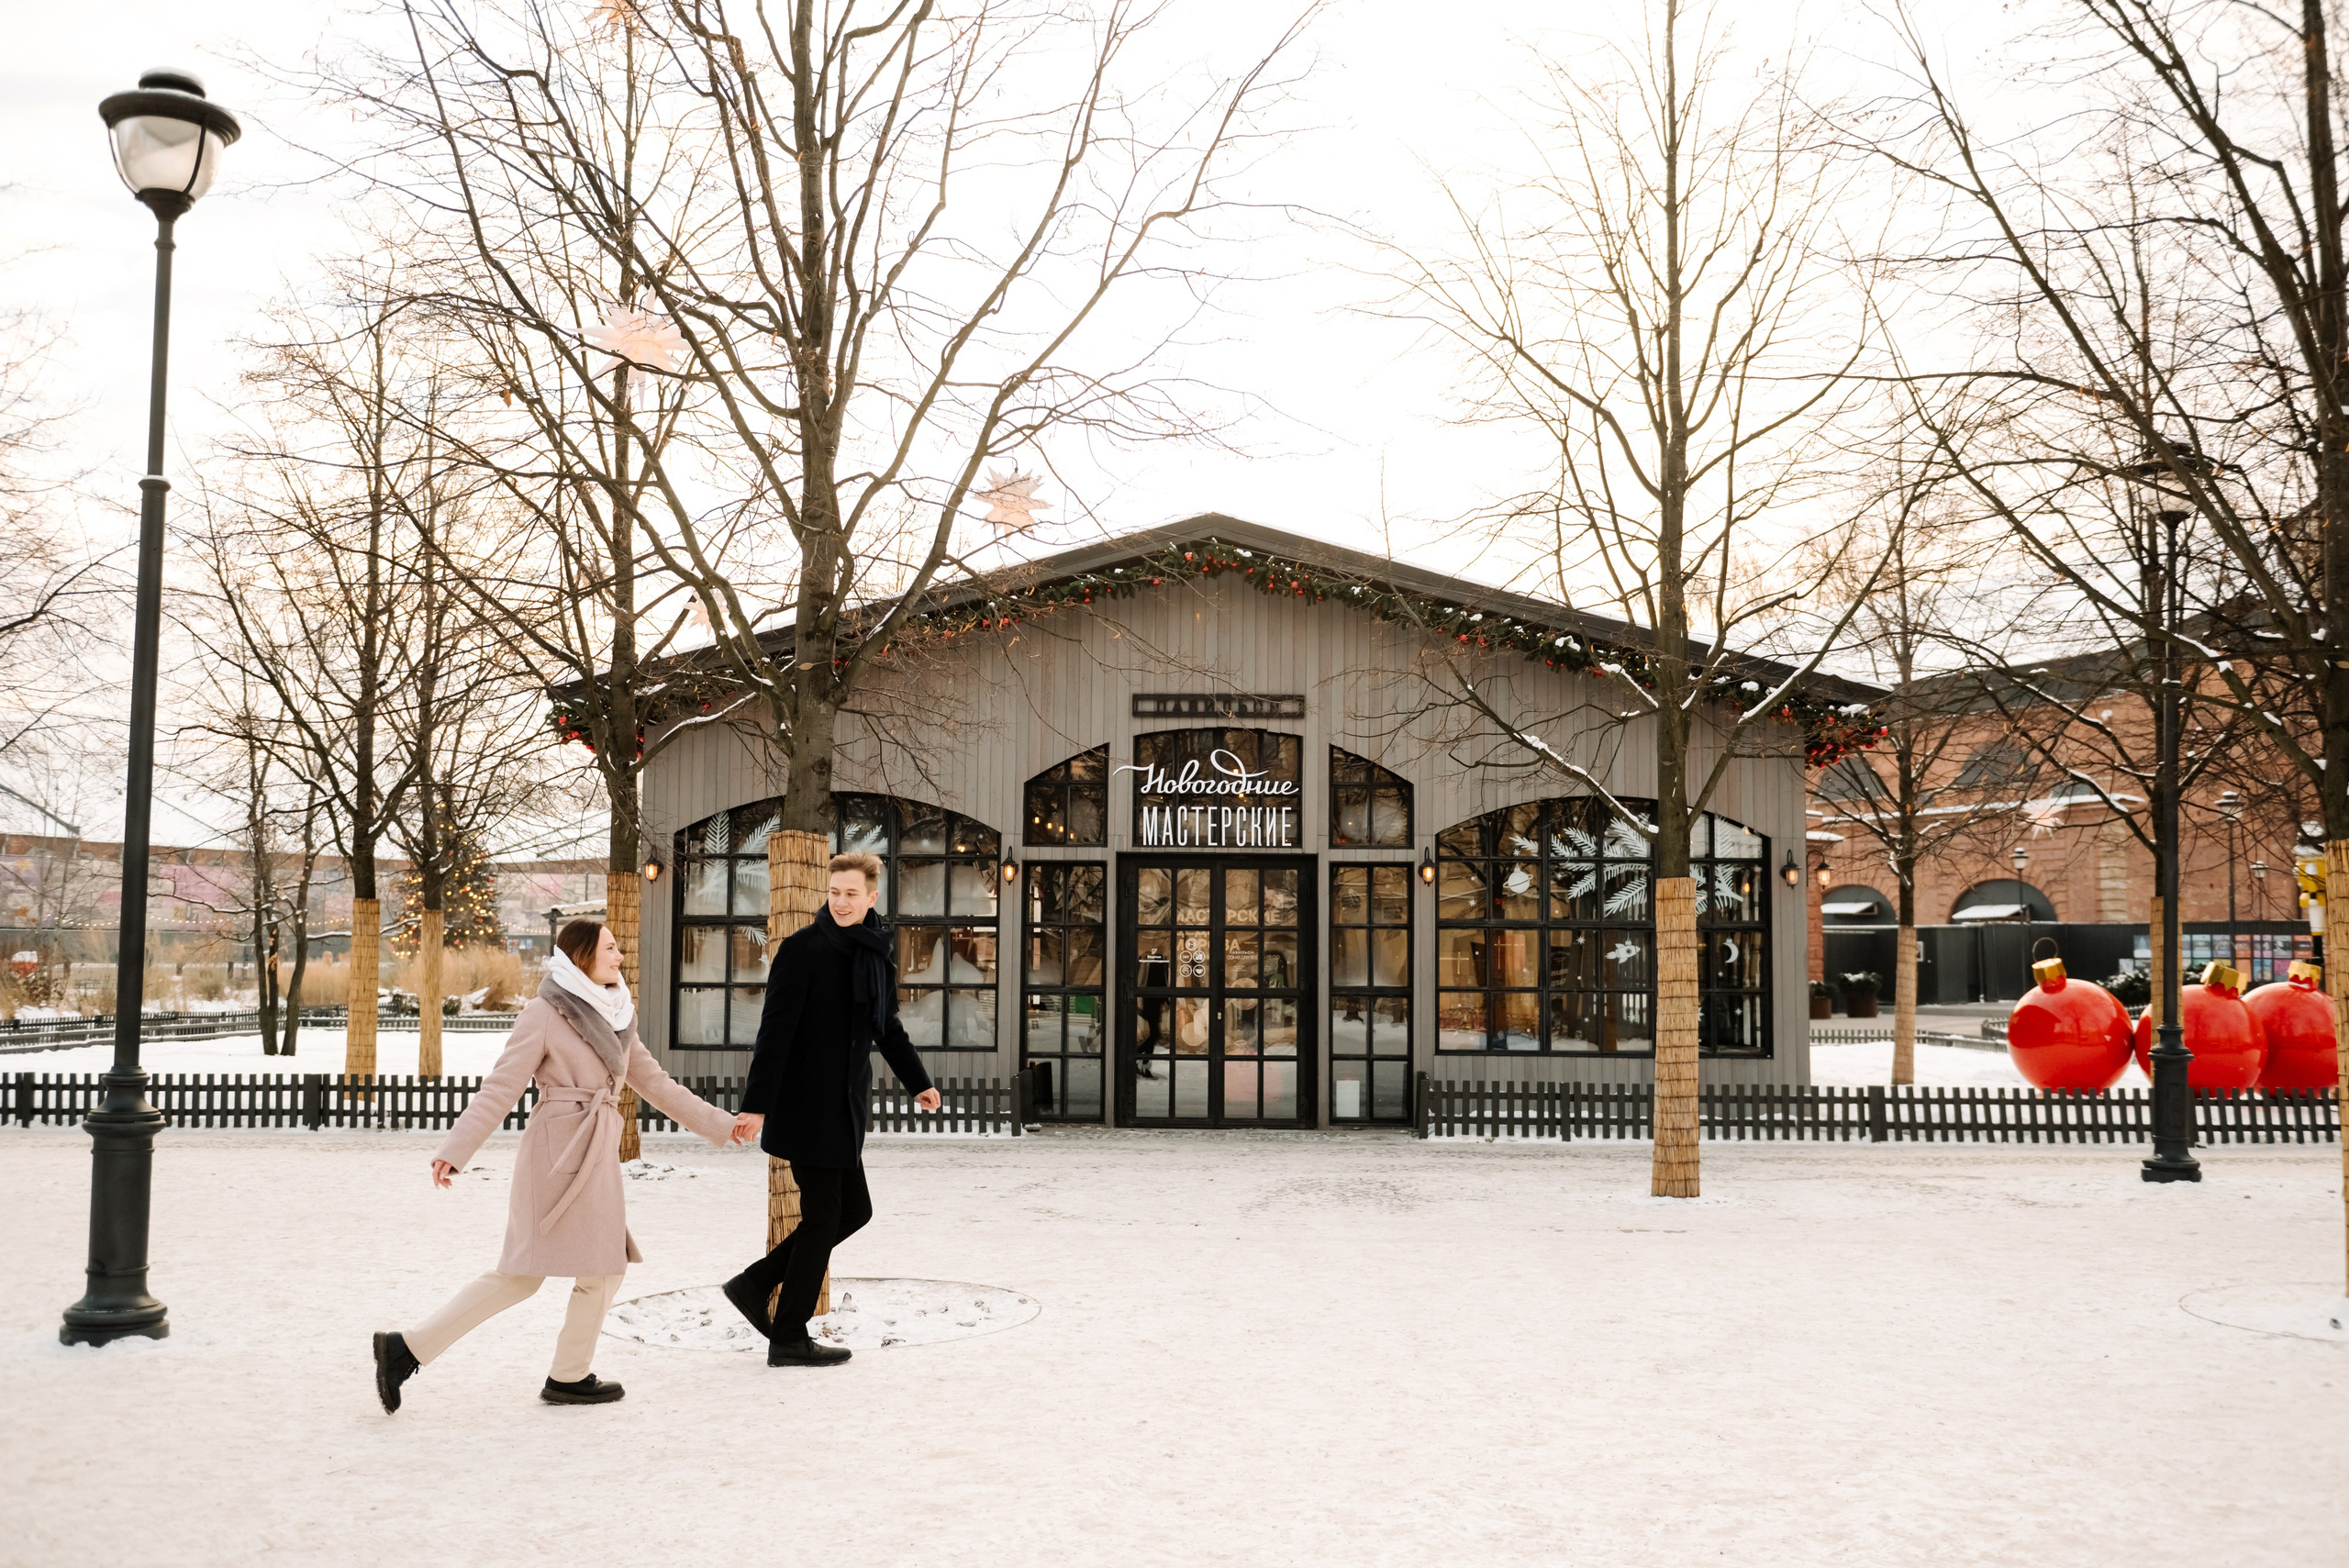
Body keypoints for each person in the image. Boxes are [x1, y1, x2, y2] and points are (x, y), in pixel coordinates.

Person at [371, 919, 750, 1412]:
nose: (619, 957)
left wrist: (723, 1124)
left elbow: (658, 1085)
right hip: (556, 1155)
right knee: (523, 1275)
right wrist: (456, 1149)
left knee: (604, 1268)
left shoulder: (617, 1017)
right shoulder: (545, 1013)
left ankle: (567, 1375)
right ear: (582, 956)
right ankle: (408, 1348)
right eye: (610, 949)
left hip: (596, 1154)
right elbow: (502, 1086)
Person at [722, 851, 941, 1367]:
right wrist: (757, 1106)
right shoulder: (802, 950)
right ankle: (789, 1335)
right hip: (804, 1104)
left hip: (844, 1107)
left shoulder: (875, 952)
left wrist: (918, 1083)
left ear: (872, 898)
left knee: (853, 1211)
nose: (841, 902)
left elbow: (886, 1028)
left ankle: (754, 1285)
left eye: (851, 894)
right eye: (835, 892)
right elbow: (773, 1034)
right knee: (824, 1216)